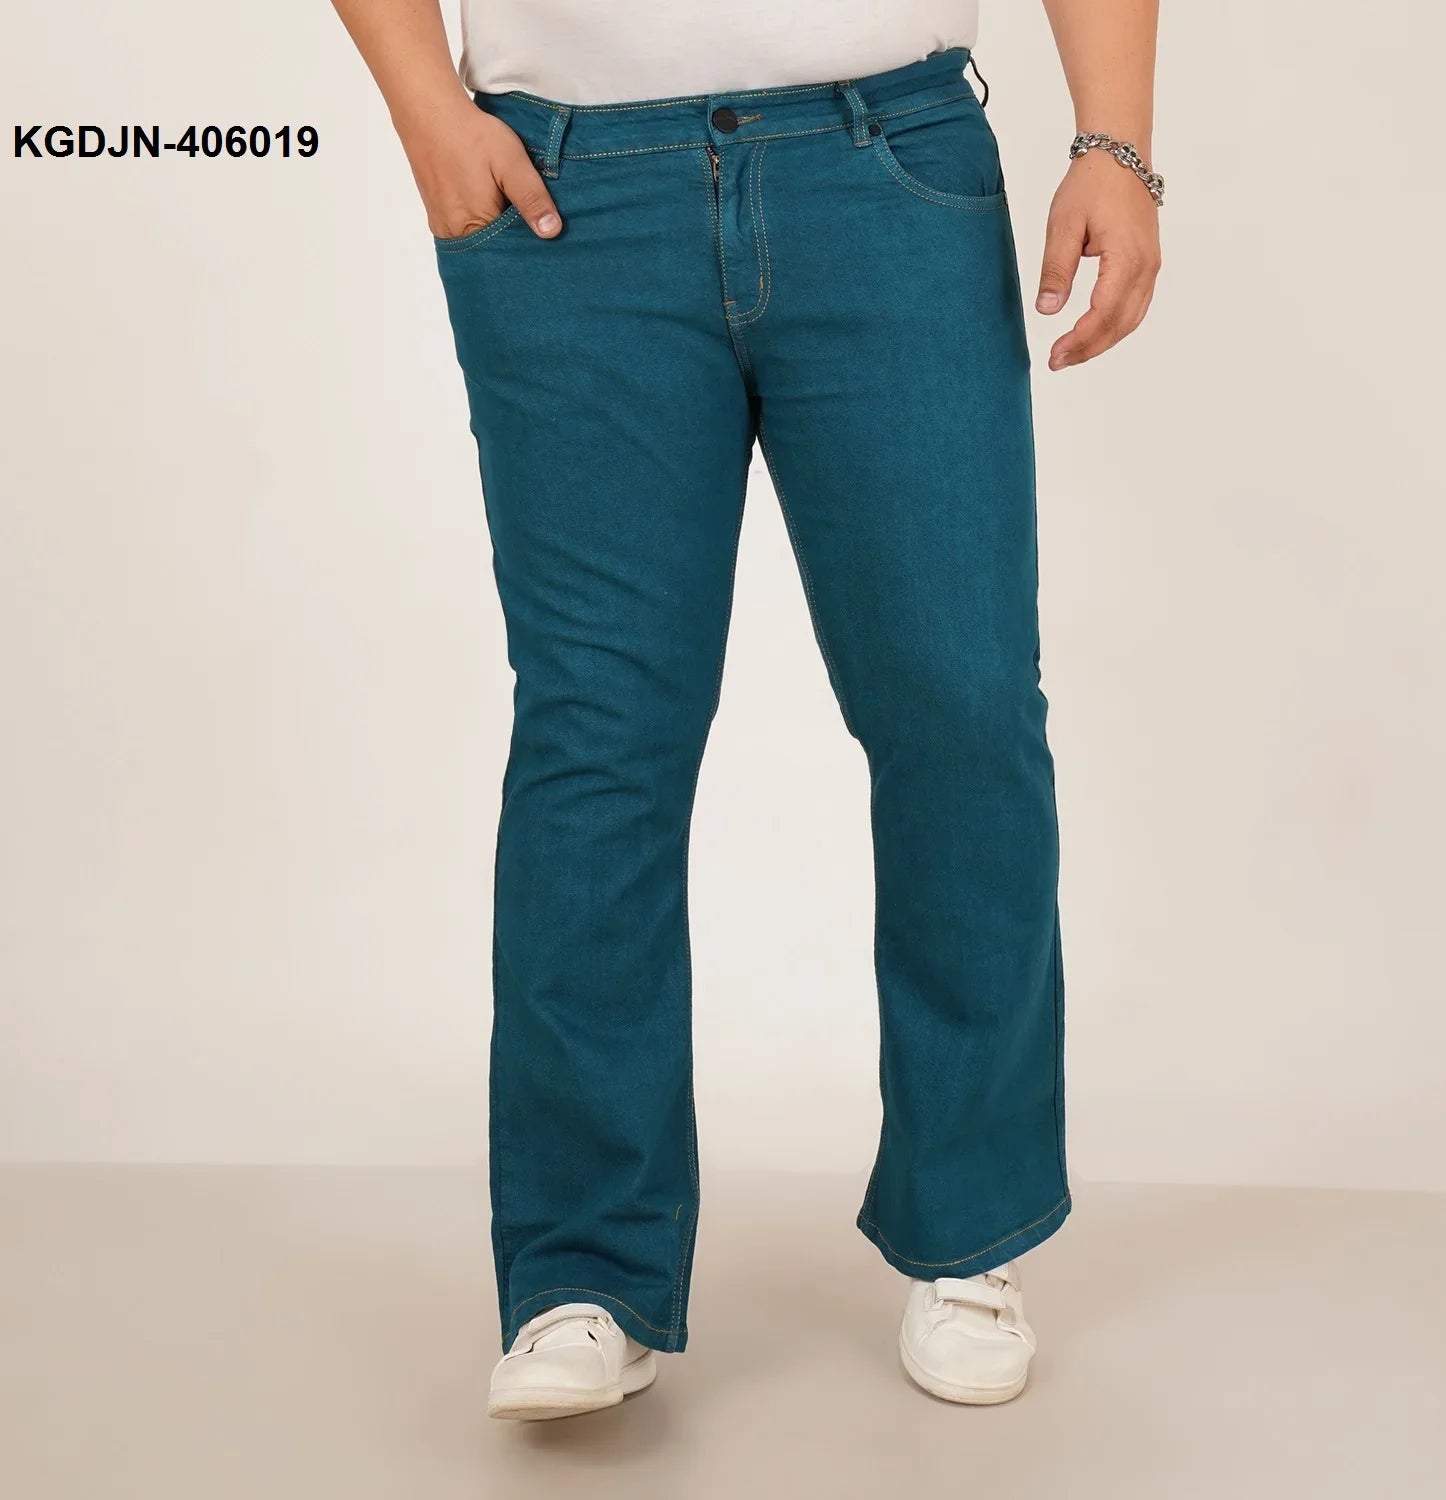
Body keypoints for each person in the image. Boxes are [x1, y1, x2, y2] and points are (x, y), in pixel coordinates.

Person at [330, 0, 1161, 1417]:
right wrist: (424, 106)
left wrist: (1117, 142)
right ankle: (582, 1272)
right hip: (564, 196)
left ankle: (971, 1230)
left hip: (889, 167)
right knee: (598, 734)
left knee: (961, 708)